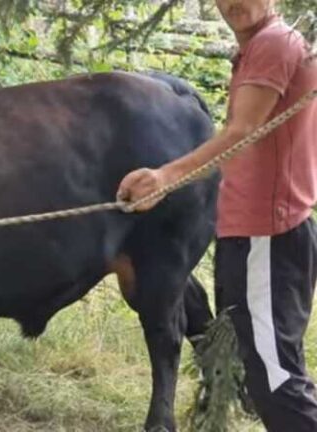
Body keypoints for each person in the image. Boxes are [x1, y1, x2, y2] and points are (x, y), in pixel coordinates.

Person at [117, 0, 317, 430]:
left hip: (267, 237)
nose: (233, 3)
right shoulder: (261, 46)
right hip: (256, 236)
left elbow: (242, 132)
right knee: (270, 372)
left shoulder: (273, 44)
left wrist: (165, 177)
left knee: (276, 383)